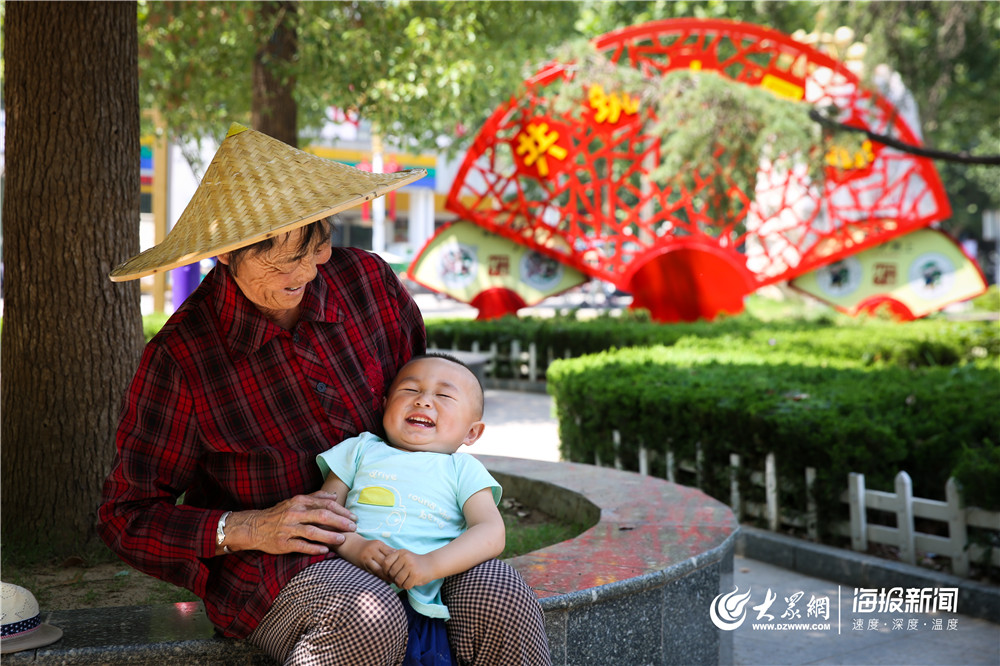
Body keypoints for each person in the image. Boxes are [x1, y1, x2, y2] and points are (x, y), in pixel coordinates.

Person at [98, 123, 551, 665]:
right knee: (367, 618)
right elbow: (126, 516)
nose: (305, 274)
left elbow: (424, 394)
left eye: (315, 249)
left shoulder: (367, 282)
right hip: (280, 564)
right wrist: (248, 528)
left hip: (419, 532)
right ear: (225, 254)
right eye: (279, 262)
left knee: (503, 597)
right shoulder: (183, 357)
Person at [317, 353, 503, 666]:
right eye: (410, 390)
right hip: (351, 588)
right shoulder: (359, 450)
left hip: (423, 606)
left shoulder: (463, 469)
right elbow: (323, 514)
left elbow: (491, 531)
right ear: (385, 405)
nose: (423, 401)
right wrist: (355, 547)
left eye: (444, 395)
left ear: (472, 433)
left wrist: (430, 564)